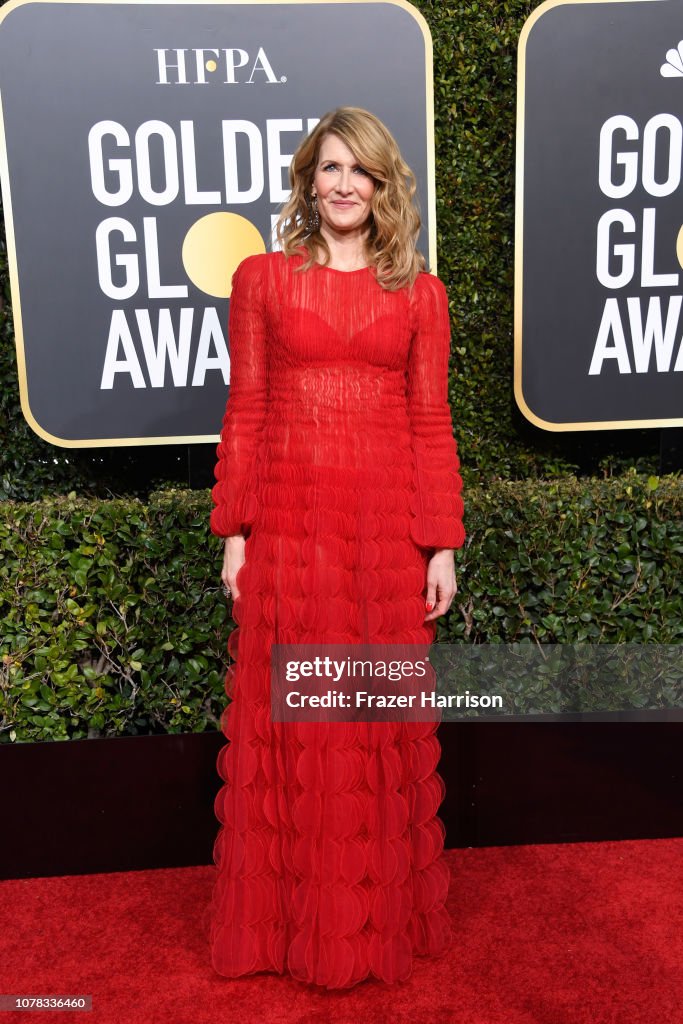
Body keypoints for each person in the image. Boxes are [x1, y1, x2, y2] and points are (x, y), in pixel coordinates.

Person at [205, 106, 466, 989]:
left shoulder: (418, 293)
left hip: (384, 532)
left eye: (360, 170)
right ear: (307, 183)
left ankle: (368, 923)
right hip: (291, 523)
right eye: (328, 169)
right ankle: (294, 926)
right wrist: (236, 530)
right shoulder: (263, 281)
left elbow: (430, 421)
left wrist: (439, 543)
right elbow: (244, 409)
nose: (344, 184)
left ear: (385, 184)